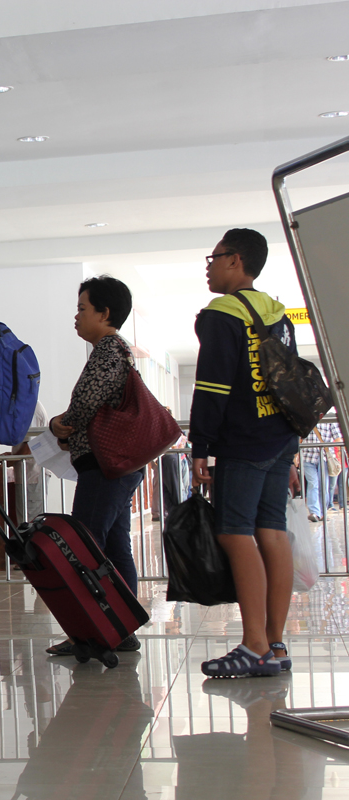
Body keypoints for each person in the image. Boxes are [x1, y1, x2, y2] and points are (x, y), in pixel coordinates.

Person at [191, 228, 300, 679]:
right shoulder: (279, 316)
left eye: (213, 258)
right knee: (271, 532)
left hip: (243, 440)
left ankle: (253, 644)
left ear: (235, 260)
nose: (209, 266)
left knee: (235, 533)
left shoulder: (222, 313)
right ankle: (274, 644)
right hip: (280, 439)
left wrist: (200, 446)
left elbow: (213, 385)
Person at [45, 276, 143, 656]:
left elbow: (84, 405)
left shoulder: (106, 351)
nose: (76, 316)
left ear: (104, 314)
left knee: (84, 544)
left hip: (104, 466)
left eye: (83, 309)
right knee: (116, 546)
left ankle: (93, 629)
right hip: (119, 465)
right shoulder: (121, 351)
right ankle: (121, 627)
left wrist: (58, 424)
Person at [302, 421, 340, 522]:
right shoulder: (306, 417)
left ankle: (322, 512)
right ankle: (314, 512)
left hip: (324, 457)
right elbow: (299, 436)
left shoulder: (329, 419)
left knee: (323, 485)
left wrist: (338, 452)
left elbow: (338, 437)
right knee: (313, 484)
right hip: (307, 456)